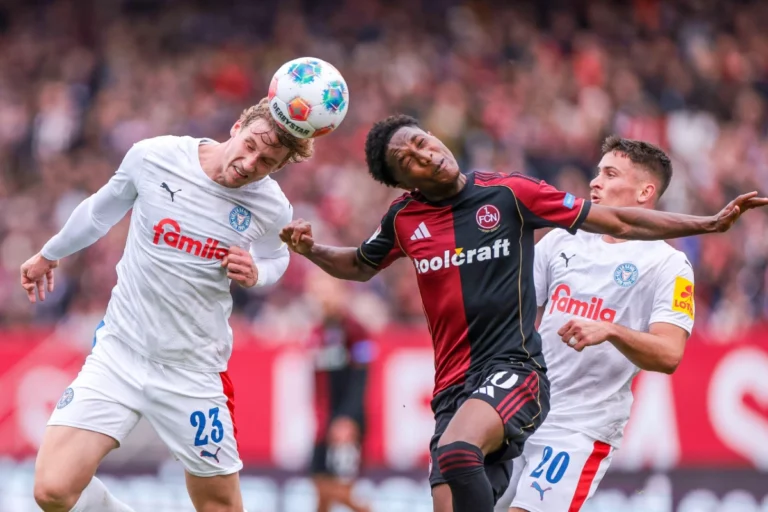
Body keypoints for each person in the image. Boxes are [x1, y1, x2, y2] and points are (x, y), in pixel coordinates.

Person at [279, 114, 767, 512]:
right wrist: (311, 249)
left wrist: (707, 224)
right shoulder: (425, 223)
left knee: (458, 453)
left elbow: (668, 353)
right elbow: (361, 265)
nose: (426, 154)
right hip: (466, 390)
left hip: (559, 410)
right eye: (409, 160)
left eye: (424, 142)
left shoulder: (659, 259)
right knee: (452, 484)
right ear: (404, 185)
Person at [20, 97, 312, 512]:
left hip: (192, 372)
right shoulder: (155, 156)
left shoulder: (270, 206)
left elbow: (276, 256)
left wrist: (257, 273)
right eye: (249, 146)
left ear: (278, 167)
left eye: (266, 161)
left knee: (220, 507)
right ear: (236, 127)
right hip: (120, 353)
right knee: (52, 490)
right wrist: (49, 253)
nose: (250, 163)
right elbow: (101, 211)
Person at [493, 136, 695, 512]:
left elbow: (670, 354)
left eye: (610, 173)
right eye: (598, 171)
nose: (594, 182)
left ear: (644, 192)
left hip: (580, 428)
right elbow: (509, 312)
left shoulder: (669, 265)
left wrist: (612, 330)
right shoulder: (561, 240)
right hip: (520, 409)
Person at [306, 272, 374, 512]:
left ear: (341, 293)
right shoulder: (317, 333)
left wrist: (348, 418)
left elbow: (361, 377)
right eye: (318, 291)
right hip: (325, 420)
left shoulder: (356, 331)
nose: (322, 297)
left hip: (346, 421)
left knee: (340, 489)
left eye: (328, 291)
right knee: (319, 484)